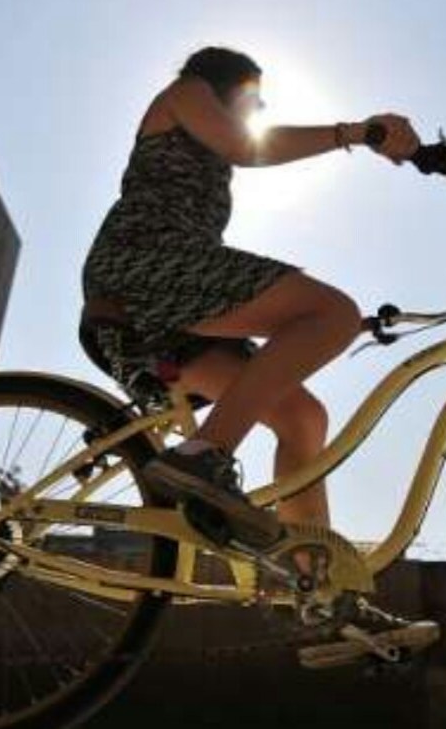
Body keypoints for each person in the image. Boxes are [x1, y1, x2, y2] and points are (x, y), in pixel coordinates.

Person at [80, 46, 420, 550]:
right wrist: (354, 133)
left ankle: (312, 576)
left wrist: (331, 329)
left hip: (177, 296)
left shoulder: (209, 148)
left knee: (303, 418)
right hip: (142, 264)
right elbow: (246, 147)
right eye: (254, 96)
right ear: (224, 82)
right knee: (332, 312)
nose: (260, 108)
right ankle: (203, 454)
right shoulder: (185, 93)